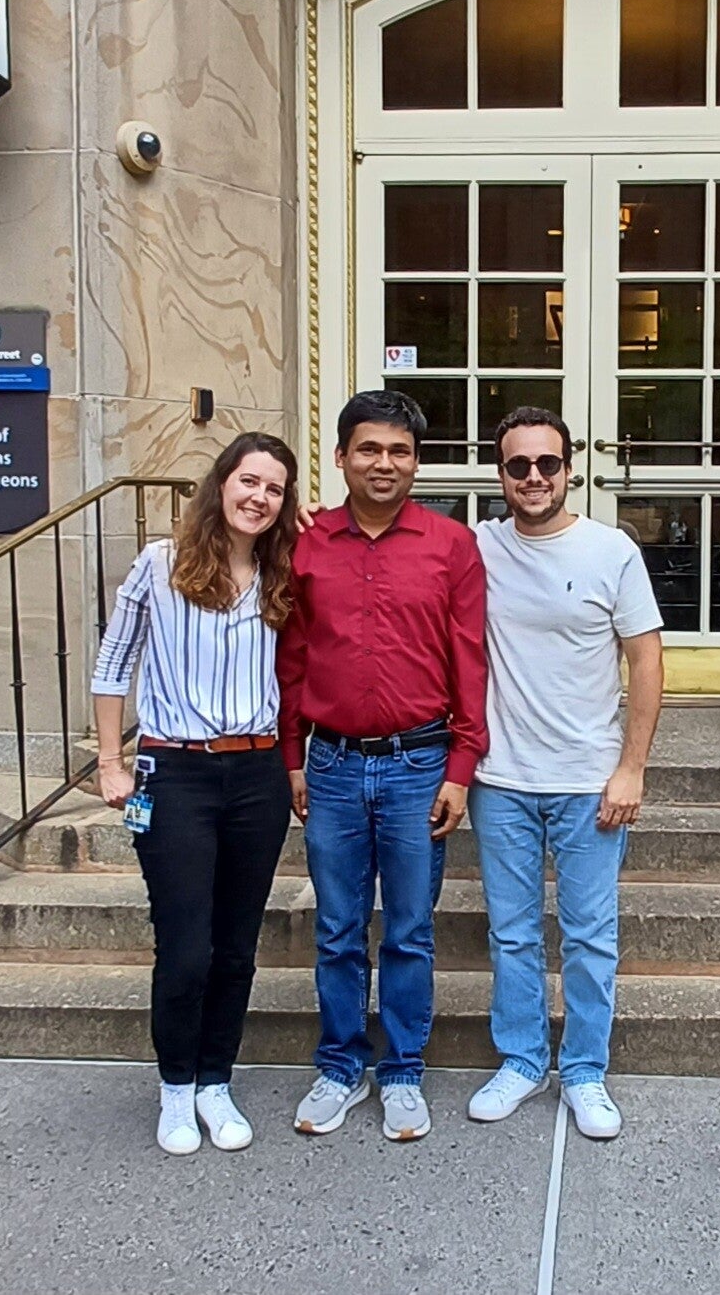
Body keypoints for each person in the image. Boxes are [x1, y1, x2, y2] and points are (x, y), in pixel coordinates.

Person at [281, 389, 488, 1143]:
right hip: (332, 766)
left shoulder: (451, 545)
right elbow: (290, 657)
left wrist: (461, 765)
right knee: (338, 928)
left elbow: (469, 658)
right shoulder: (304, 544)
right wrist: (291, 758)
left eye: (400, 451)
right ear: (341, 457)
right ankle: (340, 1066)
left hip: (418, 766)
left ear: (416, 463)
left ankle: (402, 1071)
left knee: (408, 930)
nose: (384, 463)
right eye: (369, 448)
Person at [92, 432, 300, 1157]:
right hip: (174, 774)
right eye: (249, 481)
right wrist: (110, 762)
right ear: (221, 484)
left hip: (257, 775)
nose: (258, 498)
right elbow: (113, 664)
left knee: (236, 947)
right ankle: (176, 1087)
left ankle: (216, 1080)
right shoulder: (161, 564)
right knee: (185, 947)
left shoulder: (282, 574)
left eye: (274, 489)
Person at [467, 406, 664, 1141]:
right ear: (500, 475)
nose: (534, 477)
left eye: (547, 463)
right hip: (502, 779)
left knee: (589, 936)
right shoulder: (477, 546)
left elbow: (646, 659)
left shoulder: (610, 550)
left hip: (588, 780)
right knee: (511, 934)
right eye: (518, 465)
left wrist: (631, 768)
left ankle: (584, 1071)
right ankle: (521, 1060)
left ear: (570, 470)